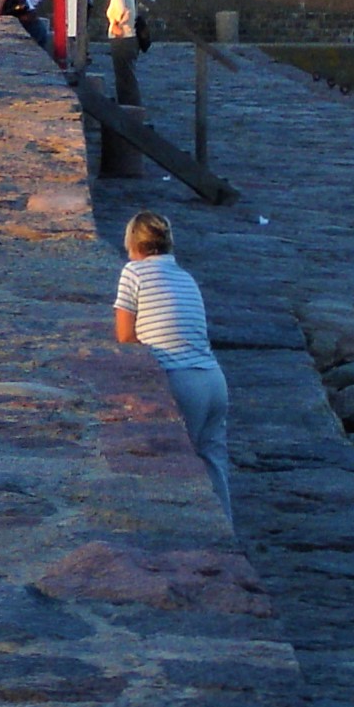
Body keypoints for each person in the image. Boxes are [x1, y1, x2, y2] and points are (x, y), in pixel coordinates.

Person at [114, 210, 231, 523]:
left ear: (133, 244)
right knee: (213, 462)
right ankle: (224, 534)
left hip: (180, 380)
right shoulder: (185, 276)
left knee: (174, 464)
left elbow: (125, 335)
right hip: (213, 379)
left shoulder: (133, 273)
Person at [103, 0, 157, 106]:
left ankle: (129, 108)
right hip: (132, 38)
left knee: (124, 78)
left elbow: (120, 11)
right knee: (129, 76)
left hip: (121, 39)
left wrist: (115, 23)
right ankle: (133, 106)